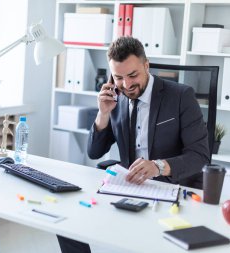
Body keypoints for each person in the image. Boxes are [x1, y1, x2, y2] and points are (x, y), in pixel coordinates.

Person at [57, 36, 210, 253]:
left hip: (170, 189)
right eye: (118, 77)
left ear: (146, 65)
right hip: (130, 187)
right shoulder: (115, 98)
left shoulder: (180, 96)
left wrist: (157, 165)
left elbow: (200, 155)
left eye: (133, 75)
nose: (127, 85)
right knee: (68, 223)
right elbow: (94, 152)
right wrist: (103, 114)